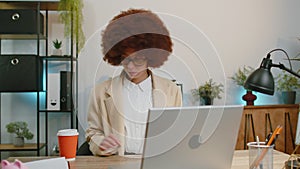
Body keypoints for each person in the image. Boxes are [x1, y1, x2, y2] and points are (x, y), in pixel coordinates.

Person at [85, 8, 182, 156]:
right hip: (117, 162)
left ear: (150, 56)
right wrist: (101, 144)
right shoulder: (100, 91)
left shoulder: (171, 90)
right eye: (125, 58)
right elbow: (93, 133)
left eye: (138, 59)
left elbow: (177, 132)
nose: (130, 66)